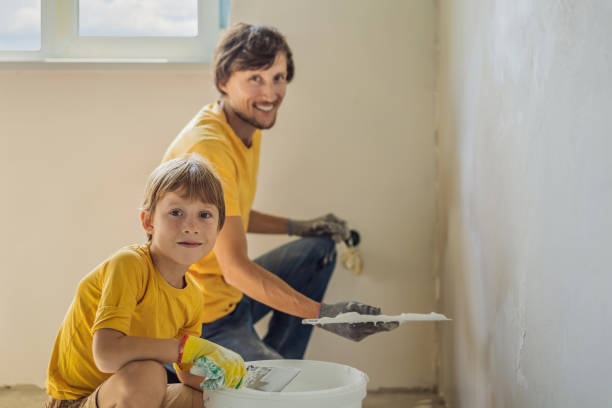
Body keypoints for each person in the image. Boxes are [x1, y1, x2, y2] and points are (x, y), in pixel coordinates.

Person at [162, 23, 397, 368]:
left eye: (278, 77)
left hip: (228, 298)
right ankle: (271, 375)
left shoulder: (242, 124)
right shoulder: (209, 148)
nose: (270, 93)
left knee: (318, 251)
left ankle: (278, 365)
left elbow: (231, 213)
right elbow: (236, 270)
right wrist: (328, 315)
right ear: (224, 81)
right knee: (284, 393)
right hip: (200, 320)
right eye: (254, 78)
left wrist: (301, 227)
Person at [44, 156, 246, 408]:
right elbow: (106, 355)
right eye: (176, 212)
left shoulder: (193, 294)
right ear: (148, 222)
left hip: (130, 395)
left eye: (204, 215)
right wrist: (186, 348)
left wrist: (228, 376)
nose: (191, 226)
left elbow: (186, 374)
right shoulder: (129, 265)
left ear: (218, 228)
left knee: (212, 400)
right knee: (149, 374)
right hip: (76, 400)